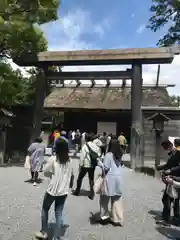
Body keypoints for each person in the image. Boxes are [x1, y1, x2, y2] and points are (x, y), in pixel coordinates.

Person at [34, 138, 73, 240]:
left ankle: (44, 232)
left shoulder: (53, 159)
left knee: (45, 209)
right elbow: (71, 174)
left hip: (52, 190)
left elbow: (45, 172)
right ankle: (57, 237)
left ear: (56, 147)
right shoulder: (70, 160)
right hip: (63, 191)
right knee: (59, 212)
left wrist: (52, 174)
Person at [97, 138, 123, 226]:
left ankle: (104, 217)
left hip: (109, 178)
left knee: (104, 199)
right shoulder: (119, 155)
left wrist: (99, 163)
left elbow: (106, 168)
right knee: (116, 199)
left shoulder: (109, 155)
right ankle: (116, 219)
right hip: (118, 178)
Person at [157, 138, 180, 225]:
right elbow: (170, 164)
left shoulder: (178, 153)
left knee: (167, 199)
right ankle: (176, 218)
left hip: (174, 179)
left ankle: (167, 219)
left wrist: (170, 171)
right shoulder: (173, 153)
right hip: (172, 178)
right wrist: (161, 168)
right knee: (175, 199)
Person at [72, 133, 101, 200]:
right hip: (92, 165)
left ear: (86, 139)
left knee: (80, 178)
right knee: (91, 179)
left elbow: (82, 157)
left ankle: (77, 191)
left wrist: (80, 165)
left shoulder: (85, 146)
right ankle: (91, 194)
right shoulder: (95, 146)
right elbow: (98, 154)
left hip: (85, 165)